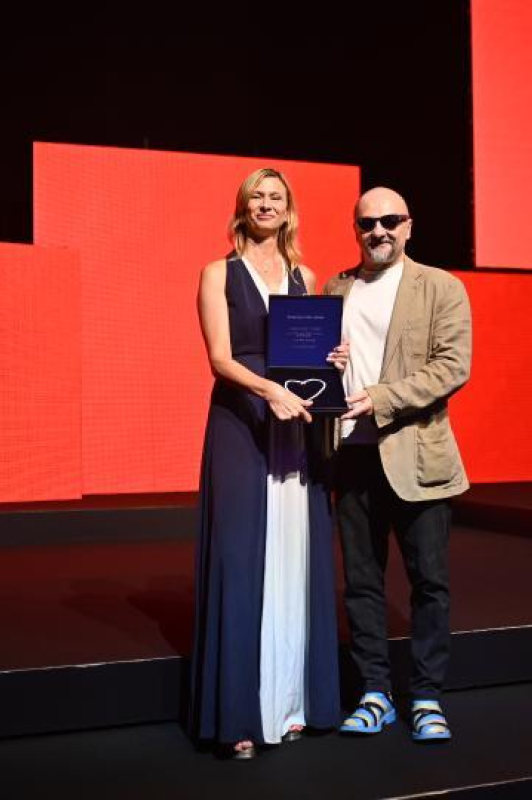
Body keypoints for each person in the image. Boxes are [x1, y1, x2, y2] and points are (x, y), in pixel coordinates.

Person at [189, 168, 345, 759]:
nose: (266, 204)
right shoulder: (217, 273)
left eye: (276, 197)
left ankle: (292, 703)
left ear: (288, 210)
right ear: (242, 207)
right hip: (241, 424)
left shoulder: (307, 277)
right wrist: (268, 391)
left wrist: (332, 359)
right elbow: (220, 359)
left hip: (296, 428)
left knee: (292, 553)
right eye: (257, 195)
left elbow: (311, 357)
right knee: (240, 558)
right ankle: (239, 716)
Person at [325, 187, 472, 743]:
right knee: (361, 583)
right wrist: (326, 364)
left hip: (417, 456)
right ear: (356, 229)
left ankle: (427, 695)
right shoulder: (335, 288)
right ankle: (375, 693)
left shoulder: (441, 287)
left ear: (409, 226)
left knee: (429, 582)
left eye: (389, 221)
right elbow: (319, 365)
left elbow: (452, 367)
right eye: (367, 223)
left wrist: (380, 397)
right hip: (351, 455)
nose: (378, 231)